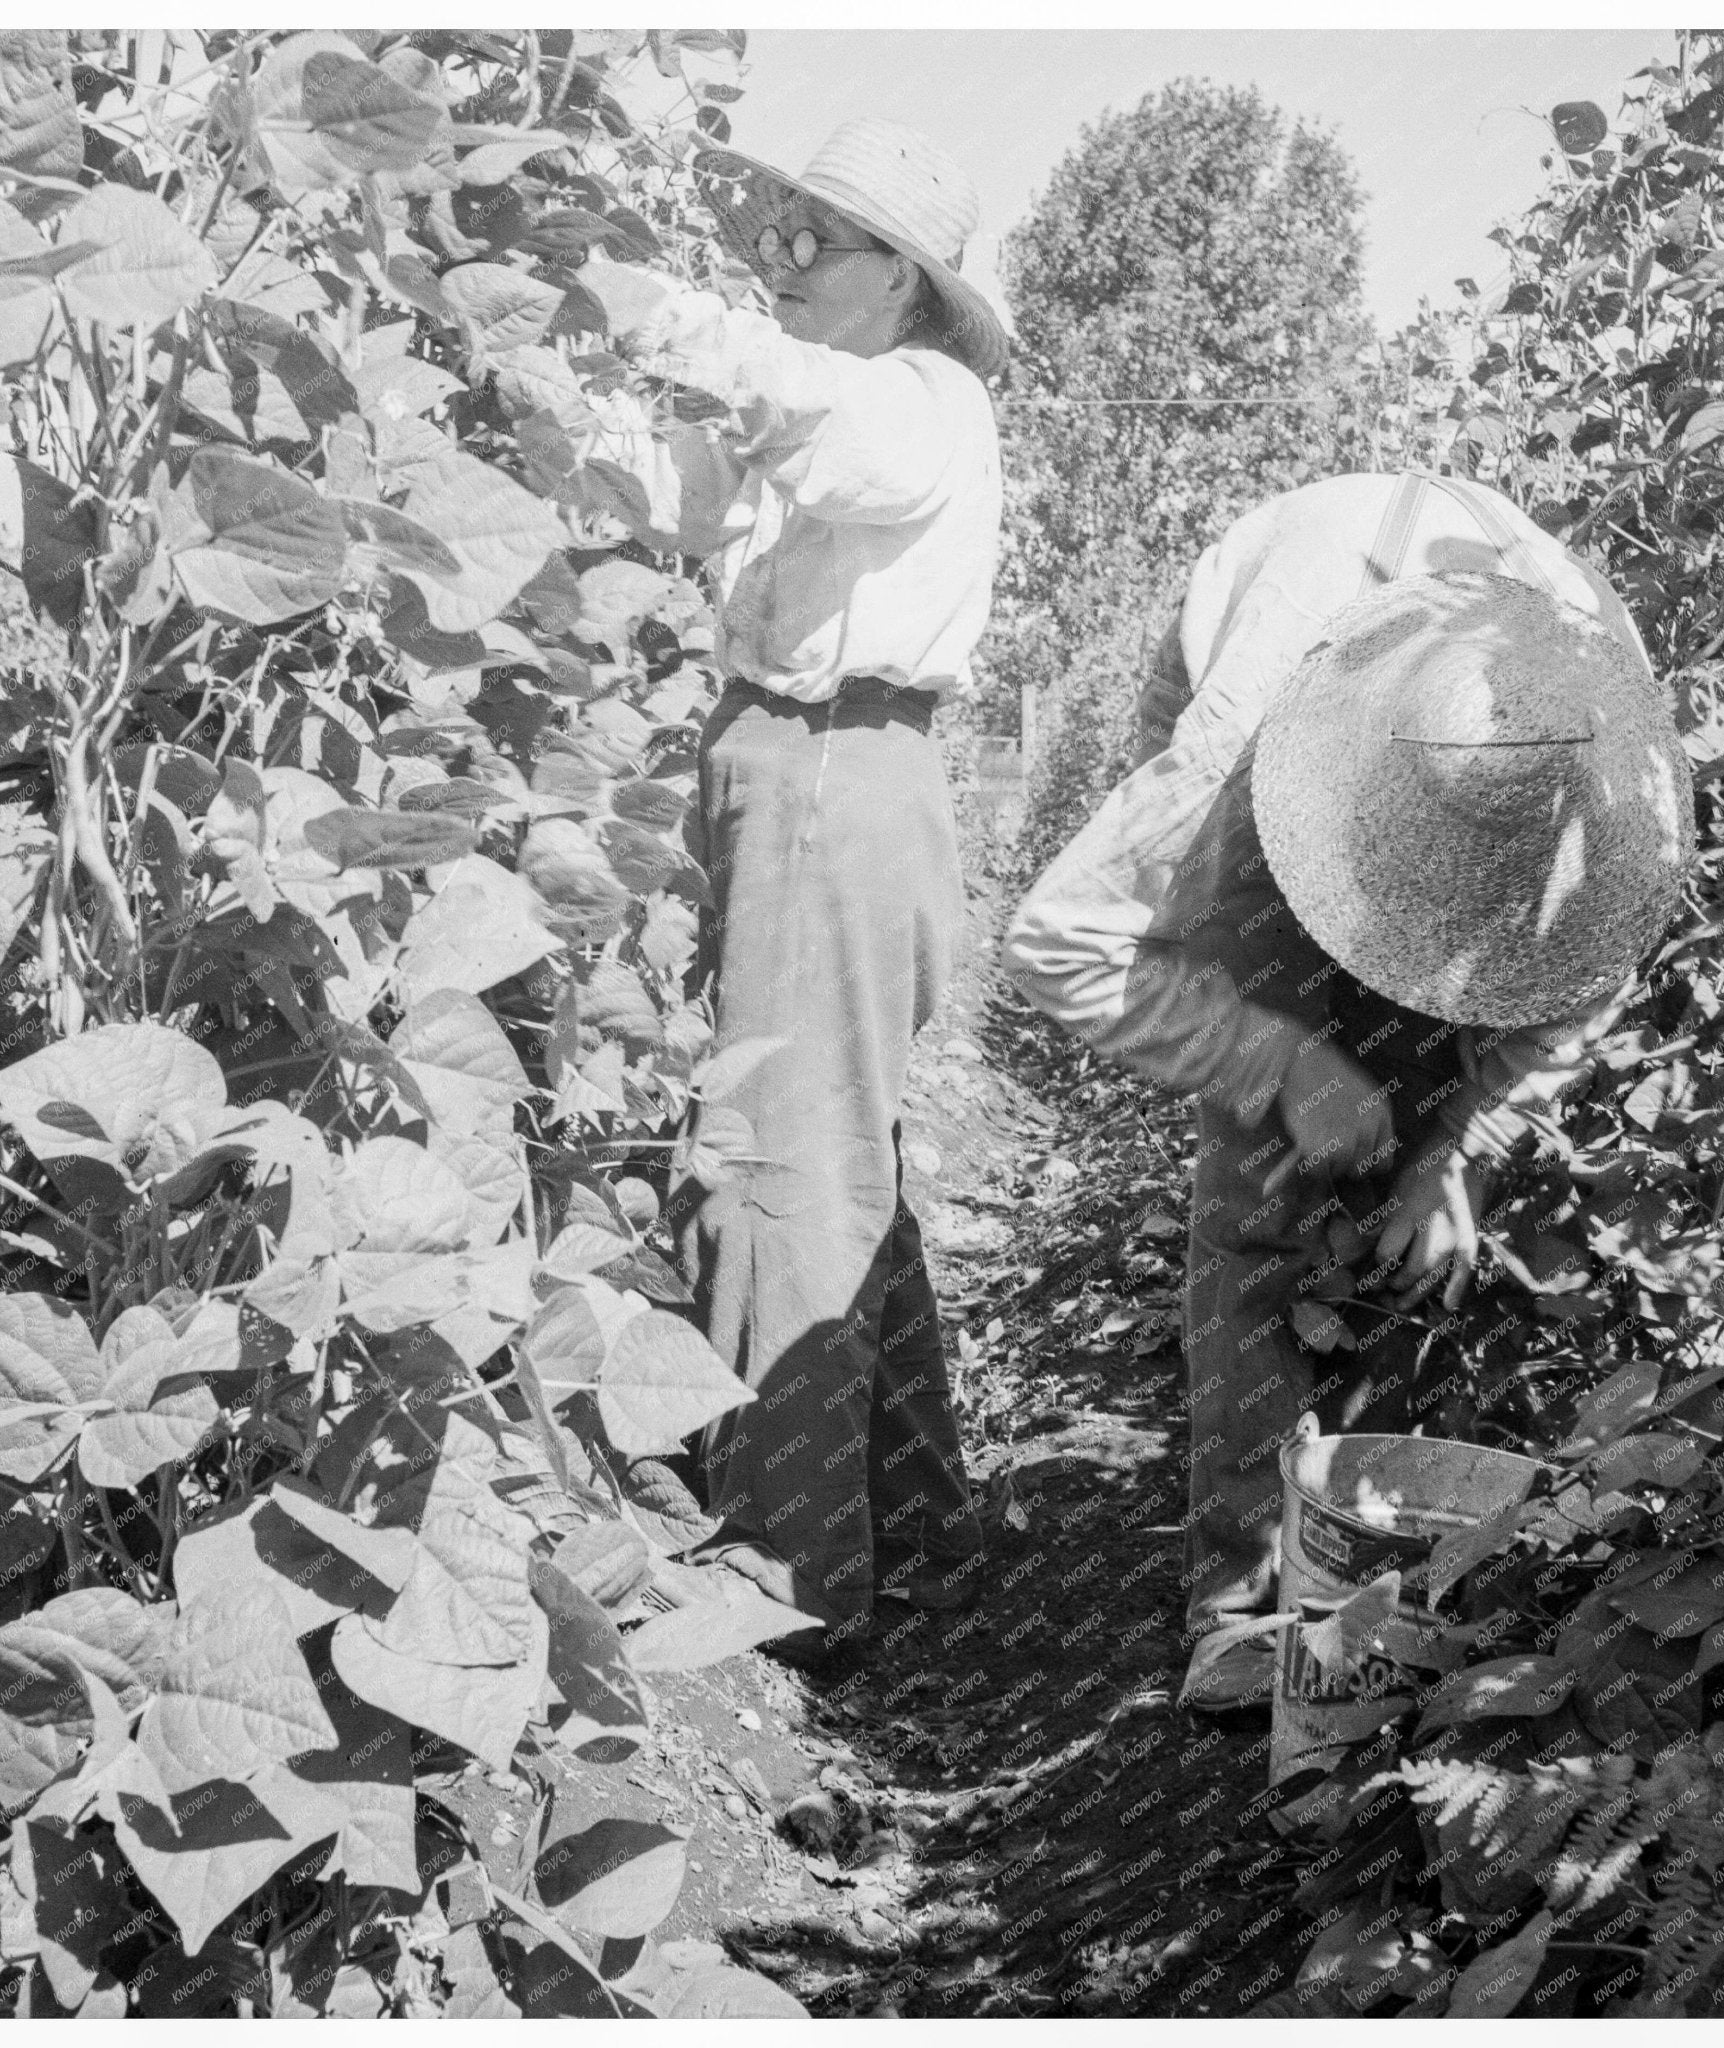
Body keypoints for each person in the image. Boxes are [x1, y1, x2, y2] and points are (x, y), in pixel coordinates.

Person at [1000, 472, 1693, 1711]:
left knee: (1402, 1179)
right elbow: (1057, 941)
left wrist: (1456, 1147)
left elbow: (1597, 951)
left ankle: (1357, 1581)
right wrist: (1279, 1061)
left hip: (1465, 763)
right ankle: (1234, 1605)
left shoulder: (1595, 716)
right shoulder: (1241, 732)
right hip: (1267, 783)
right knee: (1266, 1196)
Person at [580, 121, 1008, 1655]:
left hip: (837, 771)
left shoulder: (917, 401)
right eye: (773, 231)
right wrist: (548, 373)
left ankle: (787, 1569)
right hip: (795, 771)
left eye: (811, 239)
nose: (776, 259)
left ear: (901, 276)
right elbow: (666, 491)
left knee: (775, 1157)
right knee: (833, 1158)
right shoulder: (813, 417)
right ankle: (912, 1534)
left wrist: (654, 305)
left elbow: (801, 411)